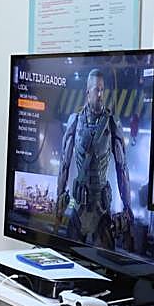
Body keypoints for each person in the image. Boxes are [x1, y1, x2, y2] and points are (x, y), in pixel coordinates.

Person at [55, 68, 133, 247]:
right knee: (69, 262)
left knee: (108, 267)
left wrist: (128, 208)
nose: (100, 95)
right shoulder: (75, 121)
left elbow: (123, 169)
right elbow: (64, 165)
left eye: (102, 90)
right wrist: (59, 201)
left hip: (101, 208)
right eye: (96, 89)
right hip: (78, 208)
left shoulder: (112, 122)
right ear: (87, 92)